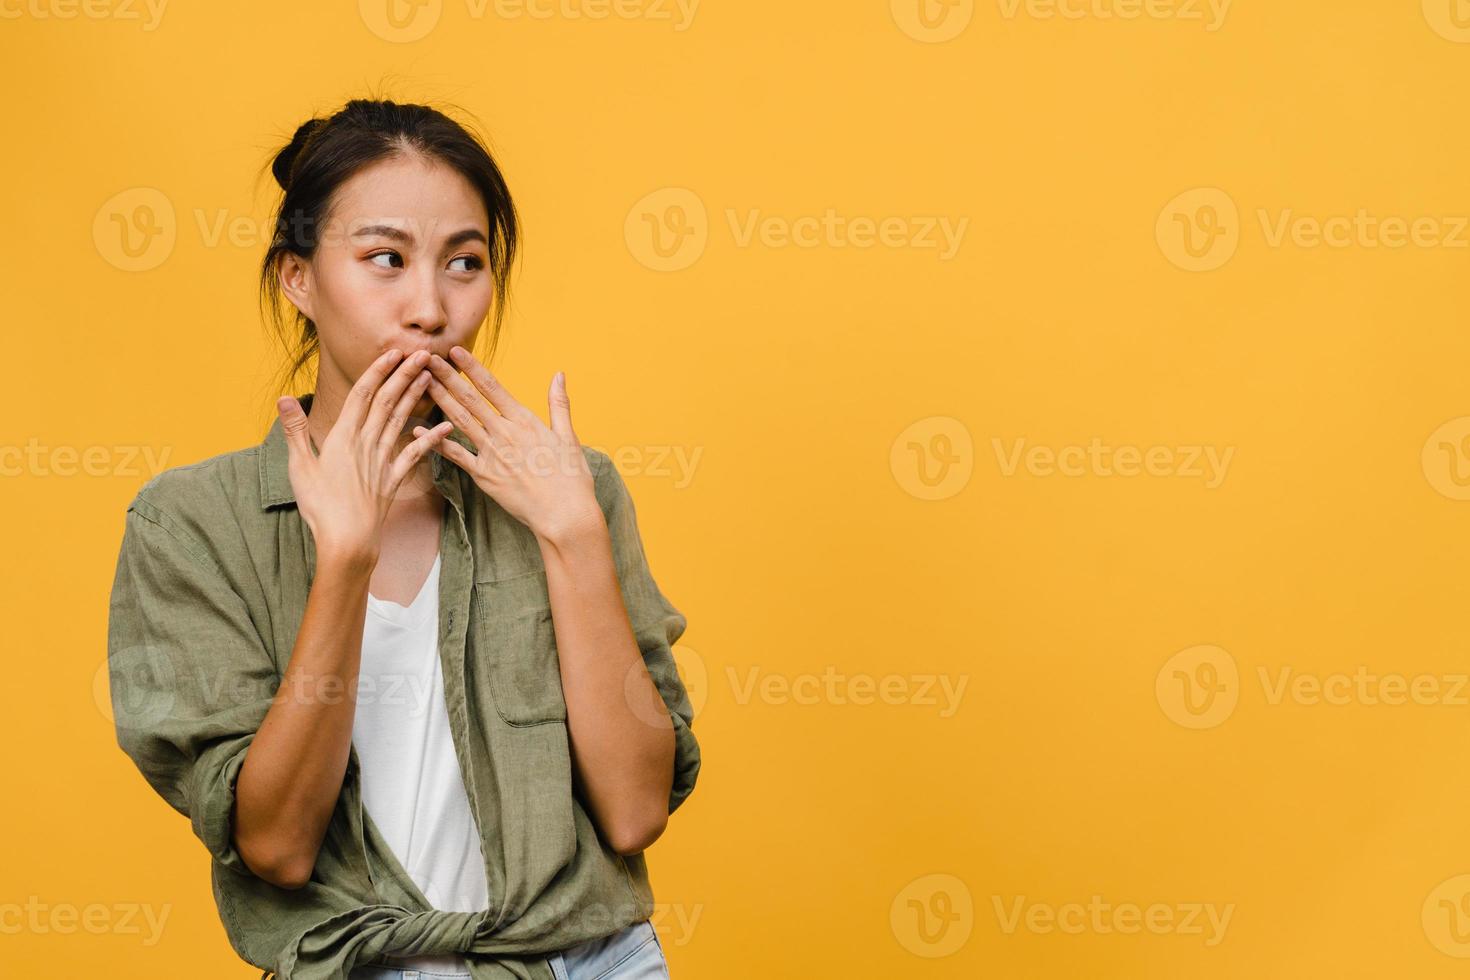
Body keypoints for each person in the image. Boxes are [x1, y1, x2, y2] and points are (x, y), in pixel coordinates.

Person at [105, 97, 700, 980]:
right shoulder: (192, 522)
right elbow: (275, 846)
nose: (430, 306)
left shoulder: (574, 490)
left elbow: (634, 810)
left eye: (465, 263)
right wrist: (343, 560)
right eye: (385, 259)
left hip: (594, 962)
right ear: (297, 279)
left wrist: (573, 535)